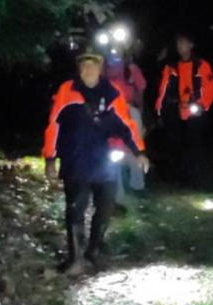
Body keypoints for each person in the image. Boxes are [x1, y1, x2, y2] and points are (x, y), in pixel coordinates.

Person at [43, 48, 148, 275]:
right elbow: (54, 125)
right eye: (84, 65)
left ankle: (93, 253)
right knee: (75, 209)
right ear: (79, 68)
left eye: (92, 65)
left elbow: (126, 124)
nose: (87, 69)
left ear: (100, 68)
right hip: (75, 158)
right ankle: (75, 258)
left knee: (106, 207)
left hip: (102, 159)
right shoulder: (67, 91)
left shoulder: (111, 93)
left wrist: (138, 151)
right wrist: (50, 157)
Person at [155, 31, 213, 187]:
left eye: (184, 43)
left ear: (191, 45)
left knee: (195, 144)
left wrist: (202, 105)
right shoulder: (171, 67)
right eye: (178, 44)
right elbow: (163, 89)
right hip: (175, 110)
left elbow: (209, 88)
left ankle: (196, 179)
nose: (181, 47)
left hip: (195, 111)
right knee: (174, 144)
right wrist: (159, 109)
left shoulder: (201, 65)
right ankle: (176, 178)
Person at [105, 49, 148, 205]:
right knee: (112, 151)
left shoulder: (131, 69)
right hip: (109, 112)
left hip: (129, 110)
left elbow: (141, 89)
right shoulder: (102, 69)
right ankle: (117, 194)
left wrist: (141, 114)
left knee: (135, 147)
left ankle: (138, 185)